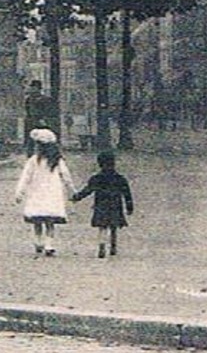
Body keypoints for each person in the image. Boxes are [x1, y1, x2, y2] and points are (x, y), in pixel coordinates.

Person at [13, 129, 76, 257]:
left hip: (37, 193)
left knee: (37, 220)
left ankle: (38, 242)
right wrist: (72, 191)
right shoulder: (57, 161)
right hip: (52, 193)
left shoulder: (33, 161)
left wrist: (19, 192)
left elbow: (25, 177)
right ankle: (49, 244)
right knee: (50, 222)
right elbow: (66, 176)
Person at [71, 150, 135, 258]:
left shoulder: (96, 178)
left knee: (102, 226)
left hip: (101, 204)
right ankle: (113, 246)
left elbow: (88, 190)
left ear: (99, 163)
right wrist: (129, 207)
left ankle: (102, 246)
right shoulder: (120, 178)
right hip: (115, 204)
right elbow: (127, 194)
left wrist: (77, 197)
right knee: (114, 226)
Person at [22, 80, 58, 153]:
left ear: (38, 88)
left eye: (33, 87)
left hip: (41, 123)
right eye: (31, 87)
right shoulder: (28, 99)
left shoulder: (46, 99)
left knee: (42, 140)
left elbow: (49, 112)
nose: (31, 89)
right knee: (30, 141)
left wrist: (44, 120)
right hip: (31, 123)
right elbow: (28, 111)